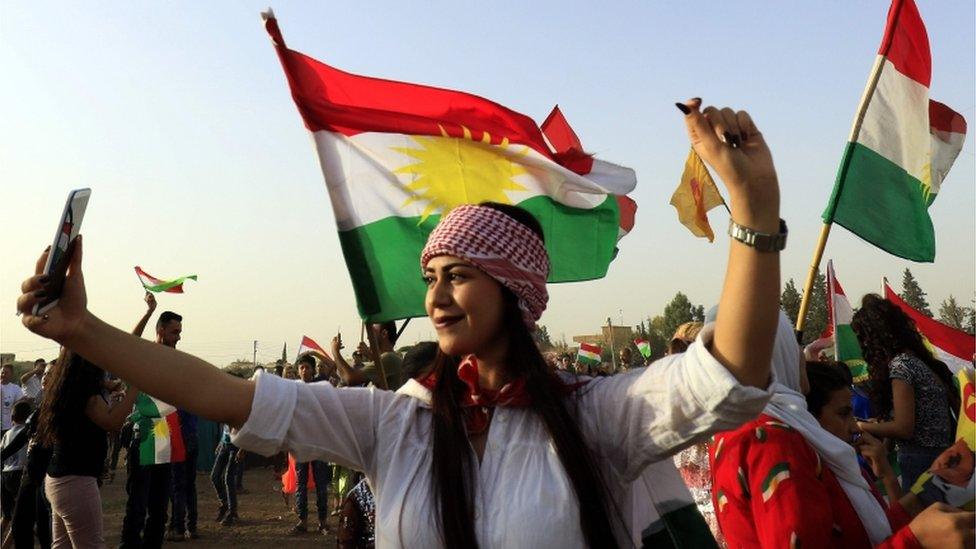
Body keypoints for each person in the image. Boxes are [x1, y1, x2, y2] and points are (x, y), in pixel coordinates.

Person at [18, 98, 788, 546]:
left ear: (517, 288)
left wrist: (753, 217)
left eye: (458, 275)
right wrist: (83, 330)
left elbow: (728, 377)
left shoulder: (597, 417)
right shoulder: (396, 426)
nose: (437, 296)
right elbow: (228, 396)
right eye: (430, 278)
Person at [708, 313, 974, 548]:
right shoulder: (771, 440)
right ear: (774, 354)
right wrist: (914, 541)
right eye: (793, 346)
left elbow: (850, 534)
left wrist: (928, 492)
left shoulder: (736, 431)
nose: (801, 357)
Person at [851, 295, 960, 492]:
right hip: (943, 458)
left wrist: (860, 425)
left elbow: (904, 428)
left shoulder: (901, 366)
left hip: (921, 462)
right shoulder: (923, 362)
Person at [39, 349, 140, 548]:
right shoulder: (86, 394)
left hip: (58, 479)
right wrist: (136, 386)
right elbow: (112, 422)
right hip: (76, 482)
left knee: (62, 546)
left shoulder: (67, 387)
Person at [120, 303, 186, 549]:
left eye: (179, 332)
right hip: (145, 433)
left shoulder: (177, 360)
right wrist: (147, 312)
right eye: (174, 332)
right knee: (138, 500)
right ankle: (129, 543)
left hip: (165, 435)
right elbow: (129, 342)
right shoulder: (145, 353)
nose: (177, 337)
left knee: (159, 503)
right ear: (160, 330)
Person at [805, 361, 904, 501]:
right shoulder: (815, 490)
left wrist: (887, 476)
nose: (855, 428)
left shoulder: (850, 471)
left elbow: (890, 522)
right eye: (843, 414)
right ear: (810, 419)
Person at [2, 363, 54, 549]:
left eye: (51, 374)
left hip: (46, 475)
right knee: (20, 526)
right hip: (30, 475)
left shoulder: (60, 406)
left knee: (45, 530)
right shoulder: (42, 404)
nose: (46, 378)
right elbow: (24, 436)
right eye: (45, 374)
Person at [290, 354, 331, 536]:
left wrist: (316, 353)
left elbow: (332, 366)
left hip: (319, 442)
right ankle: (303, 521)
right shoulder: (293, 389)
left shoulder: (320, 384)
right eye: (302, 367)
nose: (304, 370)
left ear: (313, 369)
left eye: (308, 367)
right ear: (298, 370)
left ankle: (322, 522)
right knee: (301, 485)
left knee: (321, 485)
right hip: (300, 443)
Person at [1, 400, 32, 545]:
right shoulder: (28, 432)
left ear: (12, 417)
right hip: (19, 474)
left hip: (5, 474)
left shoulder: (7, 434)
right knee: (20, 519)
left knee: (6, 516)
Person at [211, 424, 241, 526]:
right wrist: (221, 442)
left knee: (228, 478)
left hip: (236, 446)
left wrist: (243, 449)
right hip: (225, 444)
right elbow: (226, 428)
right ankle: (225, 504)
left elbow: (248, 428)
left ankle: (232, 512)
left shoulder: (240, 409)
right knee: (215, 476)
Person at [1, 365, 25, 439]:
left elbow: (19, 406)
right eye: (2, 372)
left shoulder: (15, 388)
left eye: (6, 373)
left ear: (11, 374)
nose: (3, 375)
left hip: (8, 427)